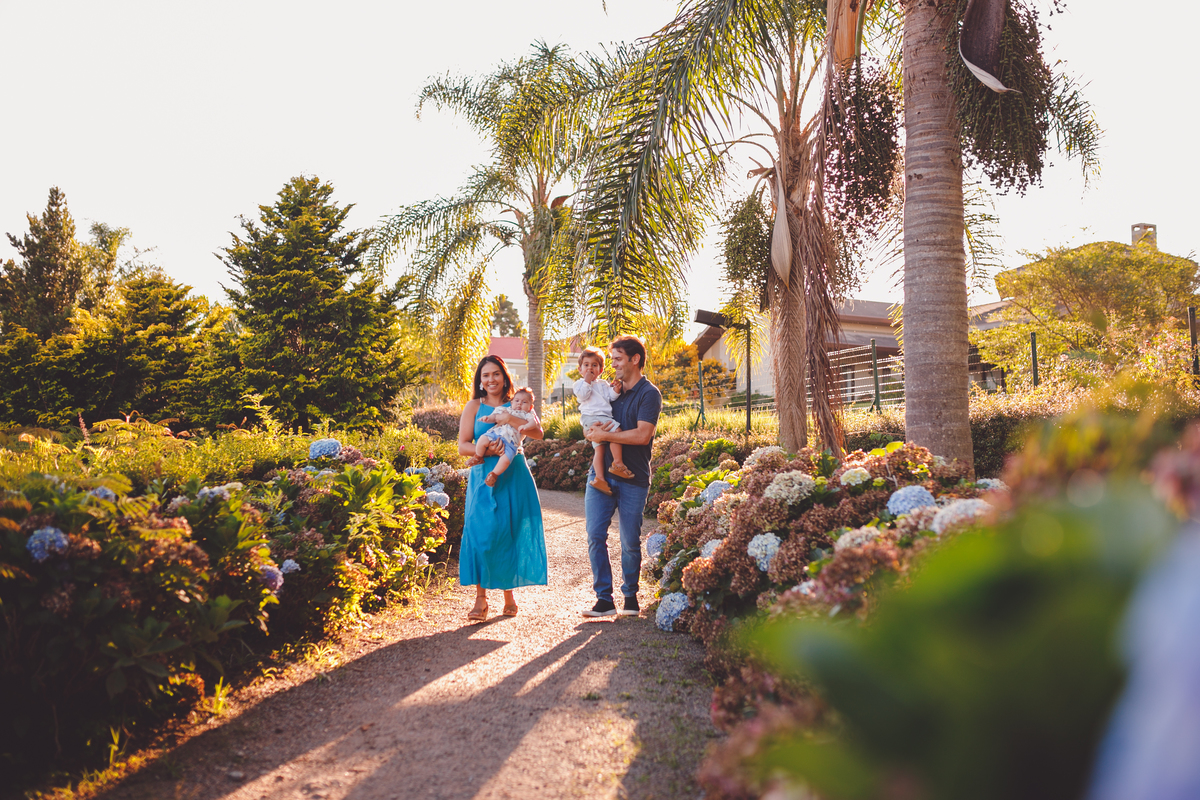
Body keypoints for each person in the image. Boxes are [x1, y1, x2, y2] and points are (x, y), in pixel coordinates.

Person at [457, 356, 548, 622]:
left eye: (496, 374)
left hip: (513, 474)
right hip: (483, 473)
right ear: (480, 380)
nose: (491, 380)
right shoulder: (474, 406)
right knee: (481, 533)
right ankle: (481, 599)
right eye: (485, 375)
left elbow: (538, 433)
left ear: (504, 376)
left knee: (508, 532)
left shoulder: (518, 403)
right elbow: (462, 445)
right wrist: (484, 450)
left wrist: (510, 416)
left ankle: (509, 597)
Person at [580, 335, 662, 618]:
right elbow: (590, 420)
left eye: (617, 359)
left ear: (634, 359)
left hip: (633, 478)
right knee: (594, 535)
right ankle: (604, 599)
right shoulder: (607, 390)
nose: (612, 364)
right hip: (601, 476)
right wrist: (592, 431)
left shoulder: (649, 394)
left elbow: (642, 435)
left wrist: (604, 434)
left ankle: (630, 596)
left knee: (629, 540)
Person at [572, 346, 634, 496]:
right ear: (580, 369)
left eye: (594, 365)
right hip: (592, 418)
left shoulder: (603, 384)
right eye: (586, 365)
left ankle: (600, 478)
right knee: (616, 431)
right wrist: (587, 380)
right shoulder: (579, 384)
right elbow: (582, 396)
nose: (590, 368)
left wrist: (616, 390)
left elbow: (610, 398)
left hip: (603, 417)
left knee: (599, 449)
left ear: (600, 370)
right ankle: (617, 463)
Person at [467, 387, 540, 487]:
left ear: (530, 407)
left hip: (511, 442)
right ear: (512, 402)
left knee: (506, 459)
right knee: (483, 439)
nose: (519, 403)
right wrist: (487, 418)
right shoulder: (506, 409)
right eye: (517, 401)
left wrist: (525, 426)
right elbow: (494, 417)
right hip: (496, 434)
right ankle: (478, 456)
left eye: (524, 402)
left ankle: (493, 474)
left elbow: (534, 425)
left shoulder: (528, 414)